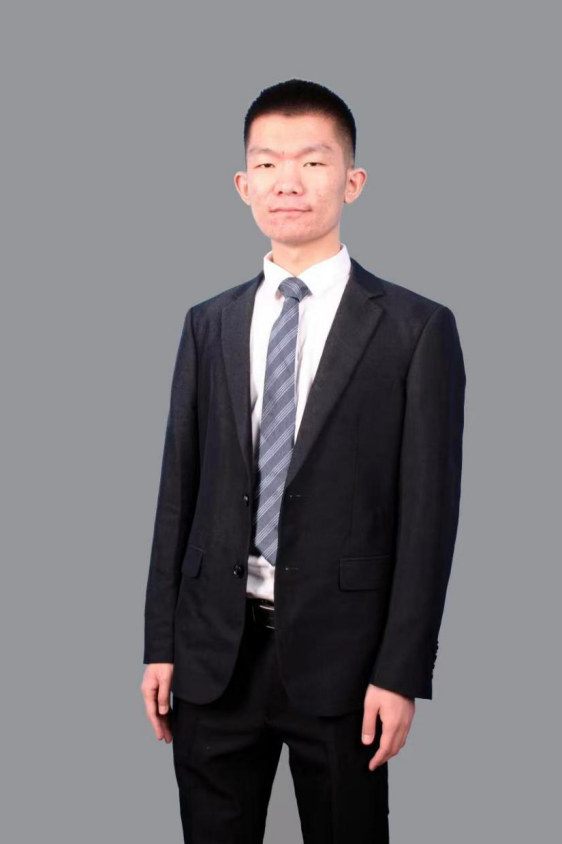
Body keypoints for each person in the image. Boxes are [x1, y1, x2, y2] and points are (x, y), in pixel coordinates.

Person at [141, 78, 466, 843]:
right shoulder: (208, 323)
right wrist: (160, 644)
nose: (288, 181)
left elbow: (428, 517)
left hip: (347, 662)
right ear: (243, 184)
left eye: (313, 162)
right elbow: (178, 491)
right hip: (215, 657)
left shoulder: (415, 329)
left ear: (352, 181)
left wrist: (400, 671)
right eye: (267, 163)